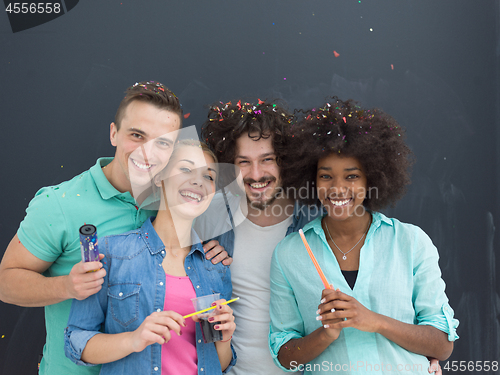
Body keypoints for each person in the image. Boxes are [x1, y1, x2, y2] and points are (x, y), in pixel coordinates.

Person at [0, 81, 228, 375]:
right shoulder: (61, 203)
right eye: (137, 135)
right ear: (113, 133)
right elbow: (5, 283)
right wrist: (66, 286)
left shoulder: (171, 197)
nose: (148, 151)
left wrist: (204, 248)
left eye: (162, 142)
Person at [268, 98, 459, 374]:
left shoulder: (410, 243)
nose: (337, 188)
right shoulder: (290, 254)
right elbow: (286, 358)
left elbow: (442, 346)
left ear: (371, 178)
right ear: (312, 179)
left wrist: (374, 321)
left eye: (351, 176)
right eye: (325, 176)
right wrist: (325, 335)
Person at [64, 140, 236, 374]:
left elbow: (220, 364)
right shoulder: (111, 253)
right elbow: (76, 342)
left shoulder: (215, 267)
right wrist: (133, 340)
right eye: (185, 169)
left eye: (209, 177)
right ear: (159, 177)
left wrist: (224, 339)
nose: (198, 181)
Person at [199, 100, 321, 375]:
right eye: (244, 162)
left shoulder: (316, 220)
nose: (256, 175)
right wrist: (200, 260)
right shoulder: (209, 213)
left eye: (267, 159)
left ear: (285, 161)